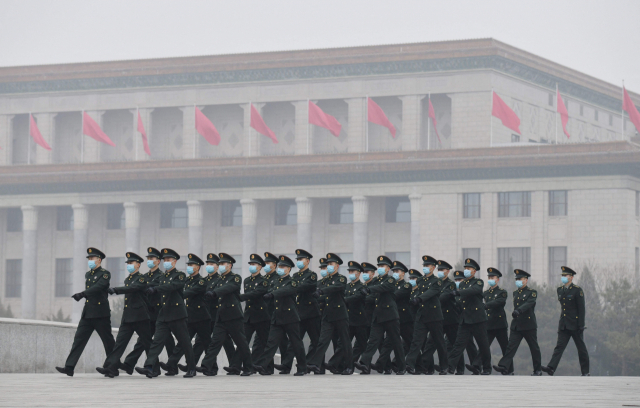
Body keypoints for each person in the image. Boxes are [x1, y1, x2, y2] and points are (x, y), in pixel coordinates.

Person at [135, 248, 196, 378]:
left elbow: (172, 287)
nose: (166, 262)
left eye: (168, 260)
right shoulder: (162, 277)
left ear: (174, 262)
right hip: (163, 315)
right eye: (165, 260)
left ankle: (191, 368)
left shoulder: (180, 275)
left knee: (185, 342)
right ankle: (150, 367)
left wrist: (155, 289)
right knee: (156, 342)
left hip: (177, 315)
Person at [56, 247, 115, 377]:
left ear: (99, 260)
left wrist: (82, 294)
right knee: (78, 340)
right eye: (89, 259)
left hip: (101, 314)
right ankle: (69, 367)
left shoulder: (105, 274)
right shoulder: (88, 274)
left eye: (92, 258)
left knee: (108, 341)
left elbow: (99, 287)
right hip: (88, 313)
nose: (90, 261)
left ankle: (112, 367)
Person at [98, 252, 152, 378]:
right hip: (128, 317)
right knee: (119, 344)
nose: (129, 265)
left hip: (140, 317)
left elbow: (132, 289)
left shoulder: (142, 279)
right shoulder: (128, 279)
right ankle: (110, 368)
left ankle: (153, 367)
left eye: (131, 263)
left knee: (147, 343)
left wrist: (116, 290)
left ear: (138, 265)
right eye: (127, 263)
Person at [121, 247, 172, 376]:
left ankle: (170, 365)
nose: (149, 260)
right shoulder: (143, 277)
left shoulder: (161, 276)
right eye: (148, 258)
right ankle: (131, 364)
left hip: (159, 313)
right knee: (144, 341)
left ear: (158, 261)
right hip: (148, 314)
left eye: (152, 258)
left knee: (166, 340)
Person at [200, 253, 253, 376]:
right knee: (215, 342)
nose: (221, 266)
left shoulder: (235, 278)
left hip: (233, 316)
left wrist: (214, 293)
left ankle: (248, 367)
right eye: (220, 264)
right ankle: (206, 365)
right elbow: (210, 290)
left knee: (241, 343)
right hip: (221, 316)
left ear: (229, 265)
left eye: (223, 264)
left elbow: (228, 288)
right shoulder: (219, 279)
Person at [253, 255, 307, 376]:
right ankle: (262, 365)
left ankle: (302, 367)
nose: (281, 268)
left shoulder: (292, 282)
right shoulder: (276, 281)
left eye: (283, 266)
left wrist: (272, 294)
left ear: (288, 269)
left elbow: (286, 291)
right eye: (280, 266)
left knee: (296, 343)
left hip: (290, 317)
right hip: (277, 317)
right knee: (271, 343)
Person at [422, 262, 478, 375]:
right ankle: (424, 366)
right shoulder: (436, 283)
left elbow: (443, 297)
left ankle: (460, 368)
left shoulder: (450, 285)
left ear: (448, 271)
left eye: (443, 270)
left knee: (454, 344)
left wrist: (431, 300)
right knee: (431, 343)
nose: (440, 272)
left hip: (451, 319)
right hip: (438, 319)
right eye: (439, 270)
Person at [354, 255, 406, 375]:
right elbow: (372, 296)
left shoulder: (391, 280)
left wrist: (369, 290)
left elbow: (383, 288)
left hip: (390, 316)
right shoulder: (376, 281)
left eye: (382, 266)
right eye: (379, 266)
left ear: (388, 268)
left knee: (396, 342)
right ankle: (364, 362)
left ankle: (401, 366)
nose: (380, 268)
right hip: (378, 316)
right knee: (373, 341)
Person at [162, 253, 211, 376]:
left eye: (192, 265)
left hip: (201, 318)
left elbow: (189, 292)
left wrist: (176, 296)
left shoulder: (201, 281)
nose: (189, 267)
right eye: (188, 265)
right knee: (182, 343)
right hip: (189, 317)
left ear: (198, 267)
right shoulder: (187, 280)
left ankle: (211, 367)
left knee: (207, 344)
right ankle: (172, 363)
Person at [307, 255, 353, 375]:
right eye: (328, 265)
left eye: (332, 264)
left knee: (345, 341)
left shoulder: (341, 279)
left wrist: (321, 291)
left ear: (337, 266)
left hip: (340, 314)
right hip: (328, 315)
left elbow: (336, 288)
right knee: (323, 340)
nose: (329, 267)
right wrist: (316, 297)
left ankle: (349, 366)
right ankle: (315, 364)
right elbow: (324, 296)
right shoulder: (325, 281)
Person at [225, 253, 270, 375]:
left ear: (260, 267)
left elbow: (256, 293)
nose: (252, 266)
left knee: (265, 342)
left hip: (261, 316)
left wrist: (241, 297)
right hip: (249, 316)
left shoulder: (264, 281)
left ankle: (267, 367)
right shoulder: (247, 280)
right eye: (250, 264)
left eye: (254, 264)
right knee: (242, 342)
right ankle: (236, 366)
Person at [277, 249, 320, 374]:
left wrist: (291, 288)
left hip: (311, 312)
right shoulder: (295, 276)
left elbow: (303, 287)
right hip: (299, 312)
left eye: (301, 259)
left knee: (316, 340)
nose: (299, 262)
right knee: (294, 341)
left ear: (307, 261)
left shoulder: (312, 275)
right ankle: (286, 365)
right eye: (298, 260)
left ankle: (311, 364)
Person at [446, 258, 492, 375]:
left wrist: (459, 292)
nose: (466, 270)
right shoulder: (462, 283)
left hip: (478, 319)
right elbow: (461, 301)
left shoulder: (478, 282)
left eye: (469, 268)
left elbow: (473, 291)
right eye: (465, 268)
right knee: (458, 345)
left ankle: (486, 368)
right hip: (465, 319)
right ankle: (450, 367)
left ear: (474, 271)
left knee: (483, 344)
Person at [542, 266, 589, 376]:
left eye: (565, 275)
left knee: (581, 349)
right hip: (564, 324)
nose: (563, 277)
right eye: (562, 275)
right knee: (559, 347)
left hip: (575, 324)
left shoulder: (577, 290)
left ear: (571, 277)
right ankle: (551, 368)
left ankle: (586, 371)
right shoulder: (560, 290)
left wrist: (581, 324)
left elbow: (581, 308)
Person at [493, 269, 542, 376]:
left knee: (534, 347)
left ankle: (537, 370)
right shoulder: (515, 293)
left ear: (526, 280)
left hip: (528, 325)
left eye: (520, 279)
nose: (518, 281)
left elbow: (530, 303)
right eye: (517, 279)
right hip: (516, 325)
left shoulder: (532, 292)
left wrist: (519, 310)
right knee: (511, 347)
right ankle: (504, 366)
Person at [192, 253, 235, 374]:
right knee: (201, 341)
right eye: (208, 264)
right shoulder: (205, 280)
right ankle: (196, 365)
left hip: (218, 315)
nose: (209, 266)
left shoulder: (219, 280)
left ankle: (233, 365)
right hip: (206, 315)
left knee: (226, 341)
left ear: (217, 267)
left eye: (212, 264)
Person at [405, 256, 448, 375]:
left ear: (433, 268)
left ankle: (444, 366)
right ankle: (410, 364)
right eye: (424, 266)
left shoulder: (437, 281)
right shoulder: (420, 281)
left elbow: (431, 293)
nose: (425, 268)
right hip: (422, 315)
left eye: (427, 266)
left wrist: (419, 299)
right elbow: (417, 293)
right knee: (416, 341)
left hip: (434, 316)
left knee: (439, 341)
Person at [327, 260, 368, 373]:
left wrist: (343, 300)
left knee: (362, 345)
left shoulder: (362, 287)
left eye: (353, 271)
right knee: (343, 344)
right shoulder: (347, 286)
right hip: (348, 320)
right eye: (349, 271)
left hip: (360, 321)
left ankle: (365, 366)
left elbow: (356, 297)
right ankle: (338, 365)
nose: (351, 273)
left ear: (359, 273)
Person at [469, 267, 511, 375]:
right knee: (484, 346)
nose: (490, 279)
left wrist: (486, 305)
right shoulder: (486, 293)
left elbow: (499, 302)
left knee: (505, 348)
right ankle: (477, 366)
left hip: (500, 324)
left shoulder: (502, 292)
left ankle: (508, 369)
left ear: (497, 279)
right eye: (489, 277)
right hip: (489, 324)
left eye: (492, 277)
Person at [376, 260, 413, 374]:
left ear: (403, 273)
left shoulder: (406, 285)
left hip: (405, 319)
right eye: (394, 271)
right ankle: (381, 365)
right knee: (388, 344)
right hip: (393, 318)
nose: (395, 273)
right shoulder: (391, 284)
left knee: (410, 343)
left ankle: (419, 365)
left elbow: (395, 296)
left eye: (397, 271)